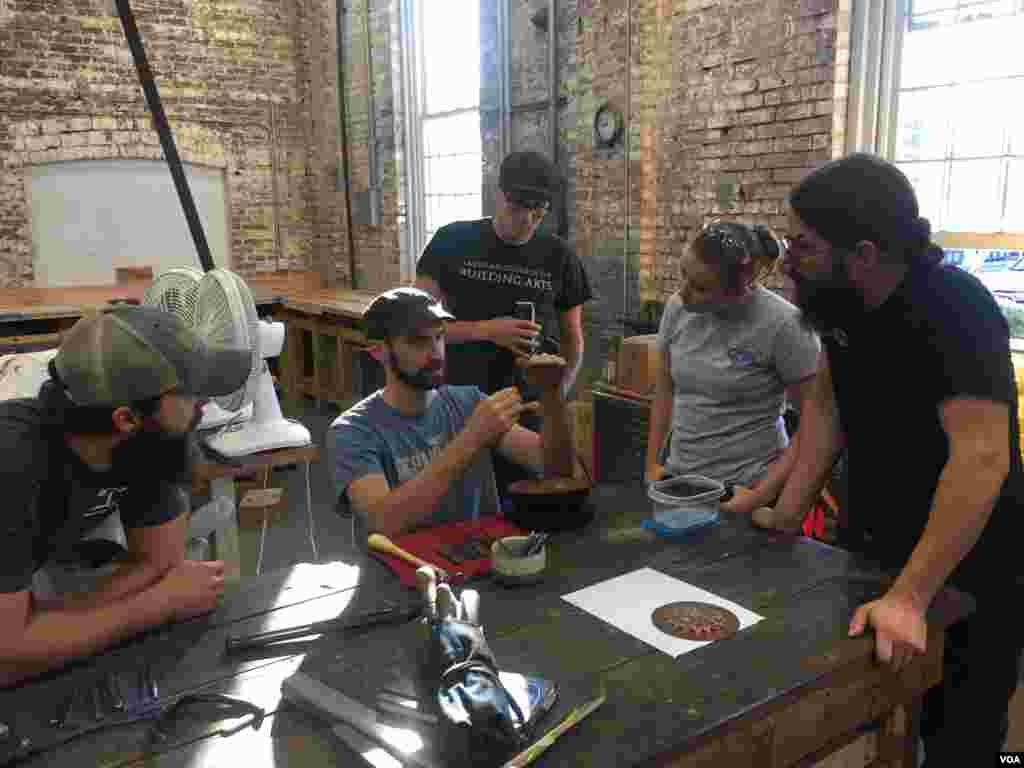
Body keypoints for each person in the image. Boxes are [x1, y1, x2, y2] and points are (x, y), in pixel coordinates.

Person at [756, 153, 1023, 765]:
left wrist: (910, 596)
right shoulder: (843, 304)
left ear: (866, 253)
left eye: (804, 246)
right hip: (874, 547)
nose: (788, 260)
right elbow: (827, 407)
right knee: (875, 717)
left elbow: (981, 460)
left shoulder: (956, 308)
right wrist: (788, 513)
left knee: (961, 737)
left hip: (969, 565)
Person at [0, 306, 252, 687]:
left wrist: (46, 630)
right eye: (189, 390)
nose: (204, 401)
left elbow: (158, 565)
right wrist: (154, 607)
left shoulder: (149, 442)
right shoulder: (12, 464)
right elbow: (6, 656)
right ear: (126, 417)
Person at [414, 151, 592, 499]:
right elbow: (416, 324)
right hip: (458, 404)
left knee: (528, 505)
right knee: (458, 503)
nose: (525, 223)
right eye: (517, 211)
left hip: (526, 406)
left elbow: (573, 340)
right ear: (499, 195)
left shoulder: (559, 257)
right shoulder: (452, 241)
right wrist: (486, 330)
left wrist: (557, 395)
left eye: (537, 216)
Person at [330, 287, 576, 538]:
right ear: (378, 351)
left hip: (482, 561)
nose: (436, 353)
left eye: (439, 337)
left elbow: (556, 470)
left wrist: (552, 397)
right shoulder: (353, 430)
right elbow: (382, 523)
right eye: (418, 341)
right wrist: (472, 437)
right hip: (405, 570)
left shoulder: (468, 401)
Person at [645, 221, 820, 514]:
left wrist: (760, 497)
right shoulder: (678, 308)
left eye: (701, 287)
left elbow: (814, 426)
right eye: (683, 275)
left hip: (746, 485)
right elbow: (664, 392)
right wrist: (652, 465)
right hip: (681, 478)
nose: (683, 293)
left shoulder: (785, 326)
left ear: (742, 287)